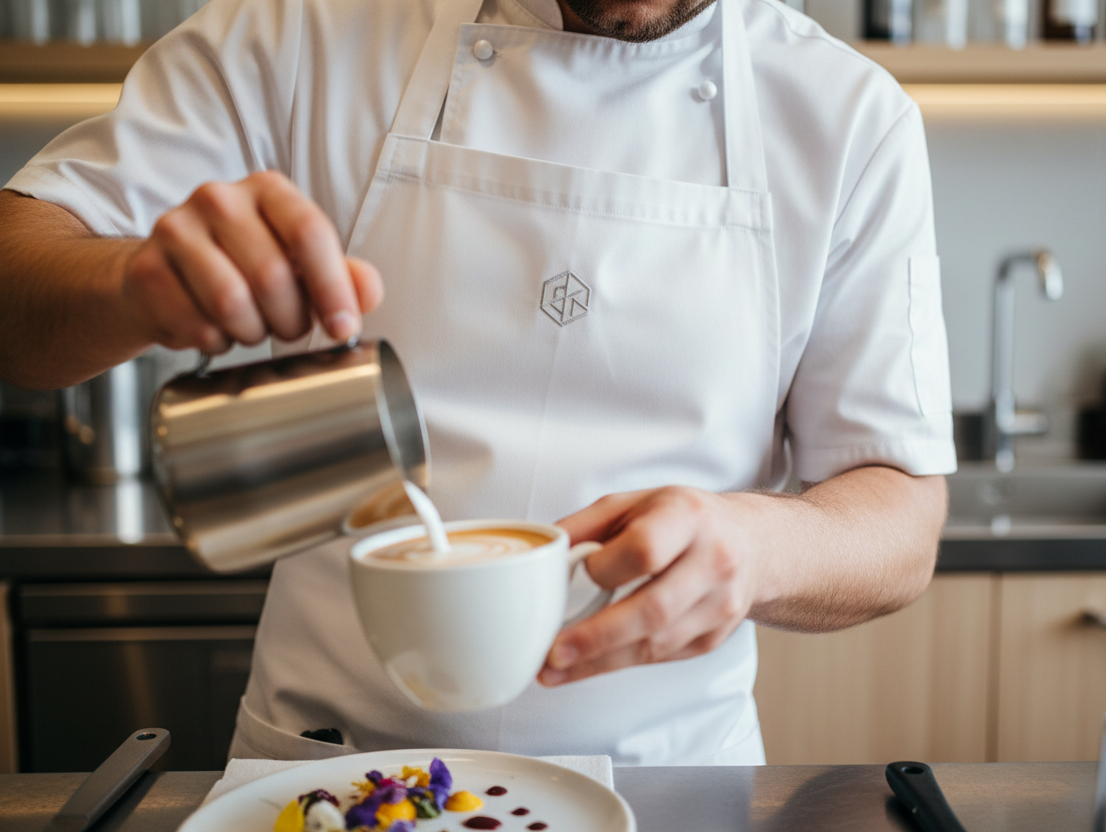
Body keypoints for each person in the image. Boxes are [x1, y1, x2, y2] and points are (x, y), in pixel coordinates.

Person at [0, 0, 954, 765]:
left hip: (669, 780)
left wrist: (763, 544)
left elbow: (902, 516)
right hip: (324, 770)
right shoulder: (299, 31)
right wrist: (136, 285)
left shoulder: (848, 118)